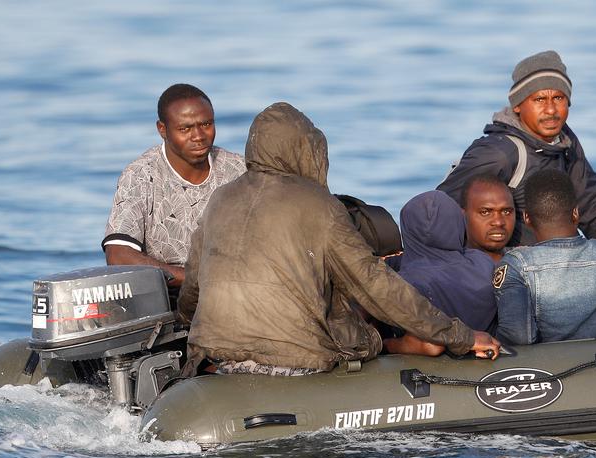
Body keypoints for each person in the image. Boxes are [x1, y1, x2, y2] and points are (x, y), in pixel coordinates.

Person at [178, 102, 500, 376]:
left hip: (217, 355)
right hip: (293, 359)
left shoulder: (220, 198)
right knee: (367, 333)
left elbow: (193, 289)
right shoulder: (319, 205)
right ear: (305, 149)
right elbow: (374, 284)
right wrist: (461, 336)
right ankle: (414, 345)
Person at [437, 50, 596, 249]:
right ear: (518, 106)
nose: (551, 110)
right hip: (507, 270)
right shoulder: (500, 153)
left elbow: (592, 201)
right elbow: (439, 211)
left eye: (558, 98)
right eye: (539, 99)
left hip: (558, 262)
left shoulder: (565, 142)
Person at [102, 83, 246, 287]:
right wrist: (193, 280)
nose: (198, 136)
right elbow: (118, 255)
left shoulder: (239, 170)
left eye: (206, 124)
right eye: (185, 128)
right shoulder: (141, 175)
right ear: (162, 129)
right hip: (168, 296)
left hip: (234, 291)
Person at [494, 169, 596, 345]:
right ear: (575, 214)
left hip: (543, 367)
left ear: (526, 218)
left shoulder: (515, 265)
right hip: (595, 362)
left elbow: (519, 336)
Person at [385, 190, 497, 356]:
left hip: (434, 363)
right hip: (487, 352)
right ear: (459, 223)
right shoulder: (482, 261)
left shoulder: (403, 281)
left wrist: (386, 345)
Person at [461, 175, 516, 262]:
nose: (498, 222)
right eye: (485, 212)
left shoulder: (531, 264)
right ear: (463, 215)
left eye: (506, 212)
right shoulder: (445, 270)